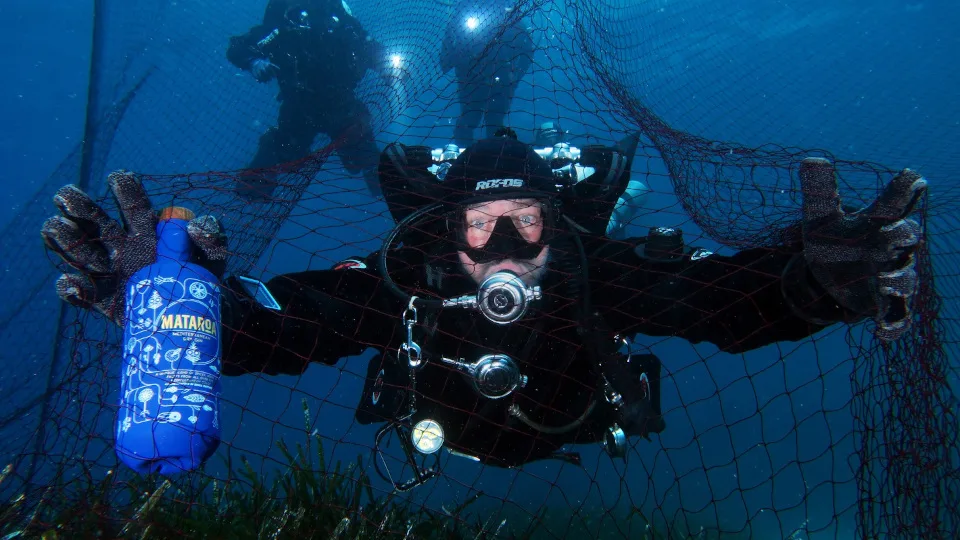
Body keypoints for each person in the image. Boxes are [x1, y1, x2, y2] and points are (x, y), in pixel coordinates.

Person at [41, 137, 924, 487]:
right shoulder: (407, 282)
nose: (504, 242)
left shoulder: (595, 274)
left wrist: (810, 287)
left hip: (565, 426)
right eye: (480, 221)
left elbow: (721, 302)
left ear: (558, 227)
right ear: (445, 233)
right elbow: (294, 321)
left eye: (527, 218)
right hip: (447, 435)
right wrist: (179, 308)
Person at [227, 0, 390, 200]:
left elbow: (367, 45)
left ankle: (384, 185)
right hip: (300, 107)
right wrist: (254, 62)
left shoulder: (338, 17)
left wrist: (385, 66)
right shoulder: (283, 21)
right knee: (288, 153)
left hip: (339, 103)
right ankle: (256, 183)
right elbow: (239, 47)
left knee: (359, 158)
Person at [440, 1, 535, 147]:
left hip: (491, 81)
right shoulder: (464, 20)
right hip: (476, 81)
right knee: (473, 120)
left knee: (488, 122)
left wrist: (515, 77)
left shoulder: (511, 21)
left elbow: (527, 51)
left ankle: (475, 159)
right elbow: (447, 53)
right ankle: (475, 158)